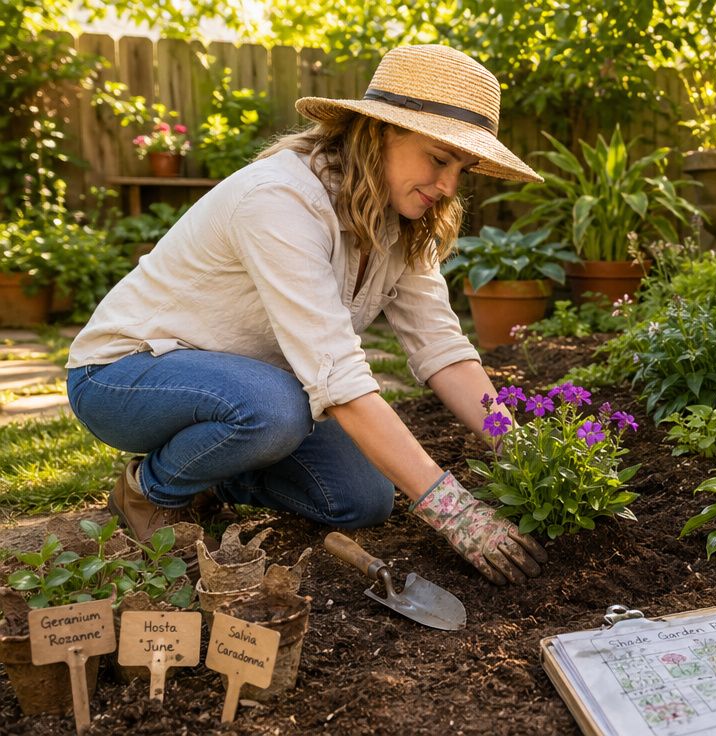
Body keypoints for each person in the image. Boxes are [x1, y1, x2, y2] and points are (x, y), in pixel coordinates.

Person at [65, 45, 547, 586]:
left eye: (462, 169)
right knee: (276, 409)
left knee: (363, 498)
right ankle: (150, 489)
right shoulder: (280, 199)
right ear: (379, 132)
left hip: (246, 391)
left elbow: (442, 349)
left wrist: (525, 454)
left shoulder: (402, 221)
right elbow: (335, 374)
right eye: (439, 159)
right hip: (122, 377)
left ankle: (211, 469)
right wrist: (453, 511)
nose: (449, 186)